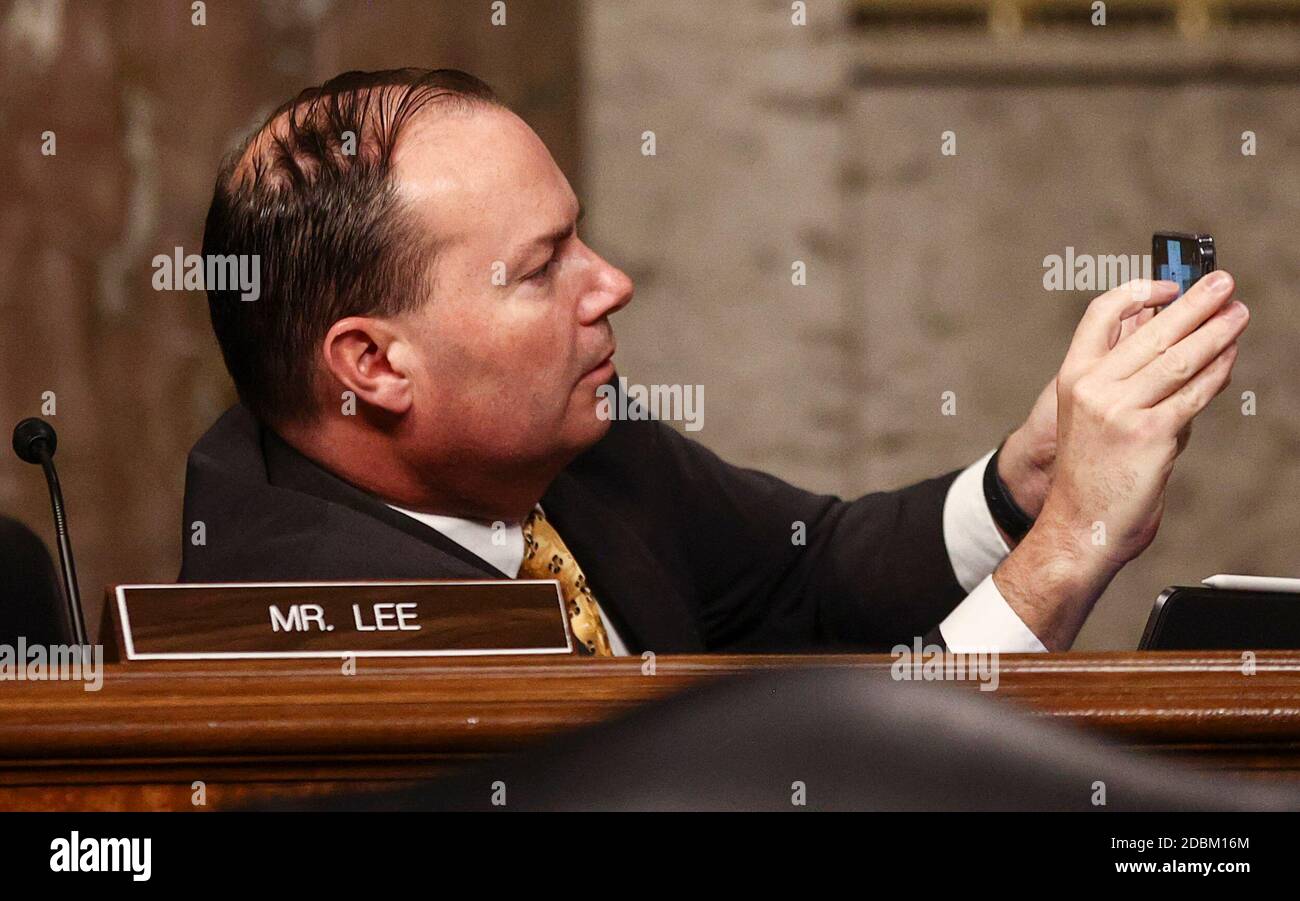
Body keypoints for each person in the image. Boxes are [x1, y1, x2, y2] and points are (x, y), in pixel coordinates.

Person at [182, 68, 1248, 655]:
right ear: (372, 364)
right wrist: (1061, 559)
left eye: (580, 238)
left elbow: (804, 570)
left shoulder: (559, 437)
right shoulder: (320, 625)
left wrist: (1023, 479)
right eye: (542, 268)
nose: (609, 285)